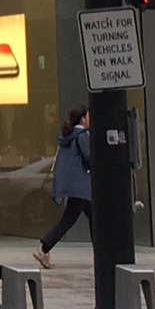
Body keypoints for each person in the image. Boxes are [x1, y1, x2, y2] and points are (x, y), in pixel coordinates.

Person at [33, 106, 91, 270]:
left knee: (94, 217)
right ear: (82, 119)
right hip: (82, 185)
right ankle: (44, 247)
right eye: (88, 116)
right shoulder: (82, 135)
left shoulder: (67, 136)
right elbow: (89, 157)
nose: (90, 119)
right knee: (70, 218)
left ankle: (102, 254)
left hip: (74, 184)